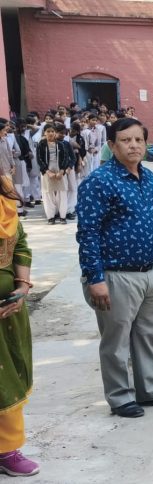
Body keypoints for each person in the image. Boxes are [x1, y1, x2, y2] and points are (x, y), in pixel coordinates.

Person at [77, 117, 153, 418]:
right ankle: (120, 397)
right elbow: (88, 233)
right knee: (116, 341)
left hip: (150, 271)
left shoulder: (150, 179)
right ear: (112, 145)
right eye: (126, 140)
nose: (134, 145)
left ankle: (149, 390)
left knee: (147, 335)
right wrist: (95, 278)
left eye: (139, 139)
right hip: (115, 275)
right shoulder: (98, 182)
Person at [0, 177, 39, 476]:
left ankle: (6, 449)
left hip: (8, 311)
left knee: (9, 375)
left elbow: (21, 245)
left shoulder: (4, 195)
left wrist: (23, 287)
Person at [36, 124, 71, 225]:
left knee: (62, 193)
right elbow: (39, 159)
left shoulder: (61, 144)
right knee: (48, 194)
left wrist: (62, 171)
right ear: (44, 133)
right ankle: (51, 217)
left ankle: (62, 216)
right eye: (48, 131)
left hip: (59, 170)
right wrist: (47, 171)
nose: (50, 133)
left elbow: (65, 158)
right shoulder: (41, 144)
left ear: (55, 133)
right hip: (47, 171)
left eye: (52, 131)